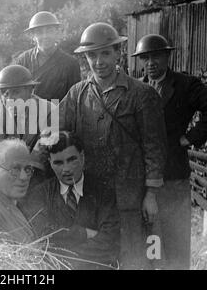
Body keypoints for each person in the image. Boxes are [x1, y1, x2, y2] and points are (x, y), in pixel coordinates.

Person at [60, 23, 168, 270]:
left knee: (134, 260)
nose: (98, 61)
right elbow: (53, 131)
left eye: (105, 53)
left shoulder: (141, 94)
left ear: (118, 52)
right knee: (94, 261)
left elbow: (155, 147)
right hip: (92, 200)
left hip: (129, 199)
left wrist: (151, 195)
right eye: (92, 55)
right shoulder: (77, 94)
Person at [132, 34, 207, 269]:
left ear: (167, 57)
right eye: (146, 58)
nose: (151, 63)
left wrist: (190, 138)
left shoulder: (185, 85)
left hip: (173, 176)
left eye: (157, 56)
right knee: (149, 240)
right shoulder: (135, 87)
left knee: (175, 240)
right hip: (142, 178)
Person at [20, 131, 120, 270]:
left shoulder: (103, 193)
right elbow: (43, 238)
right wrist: (84, 233)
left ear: (82, 157)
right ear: (50, 162)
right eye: (58, 163)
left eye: (72, 160)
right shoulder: (40, 194)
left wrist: (67, 258)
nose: (66, 169)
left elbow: (109, 242)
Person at [0, 65, 57, 155]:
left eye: (16, 92)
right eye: (5, 93)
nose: (9, 99)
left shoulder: (48, 110)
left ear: (30, 91)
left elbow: (43, 153)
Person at [15, 11, 82, 101]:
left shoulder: (70, 64)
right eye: (39, 32)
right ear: (33, 36)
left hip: (59, 113)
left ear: (57, 32)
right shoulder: (23, 61)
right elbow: (15, 95)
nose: (45, 36)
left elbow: (75, 99)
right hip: (29, 113)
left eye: (49, 31)